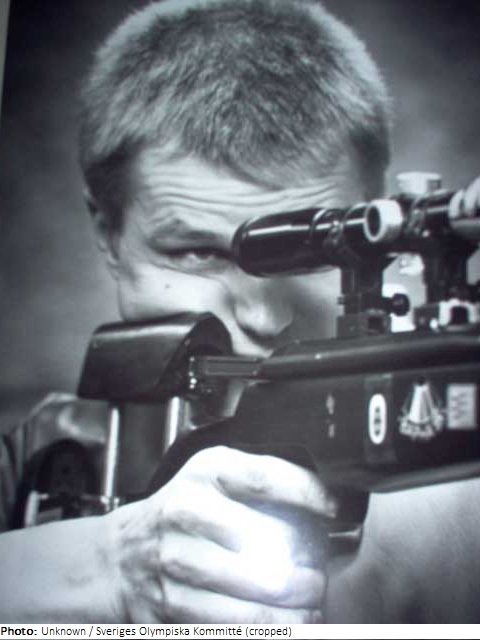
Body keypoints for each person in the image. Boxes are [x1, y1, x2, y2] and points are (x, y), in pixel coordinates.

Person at [1, 0, 480, 624]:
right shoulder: (40, 457)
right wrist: (107, 567)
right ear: (107, 235)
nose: (263, 317)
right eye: (198, 252)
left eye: (313, 253)